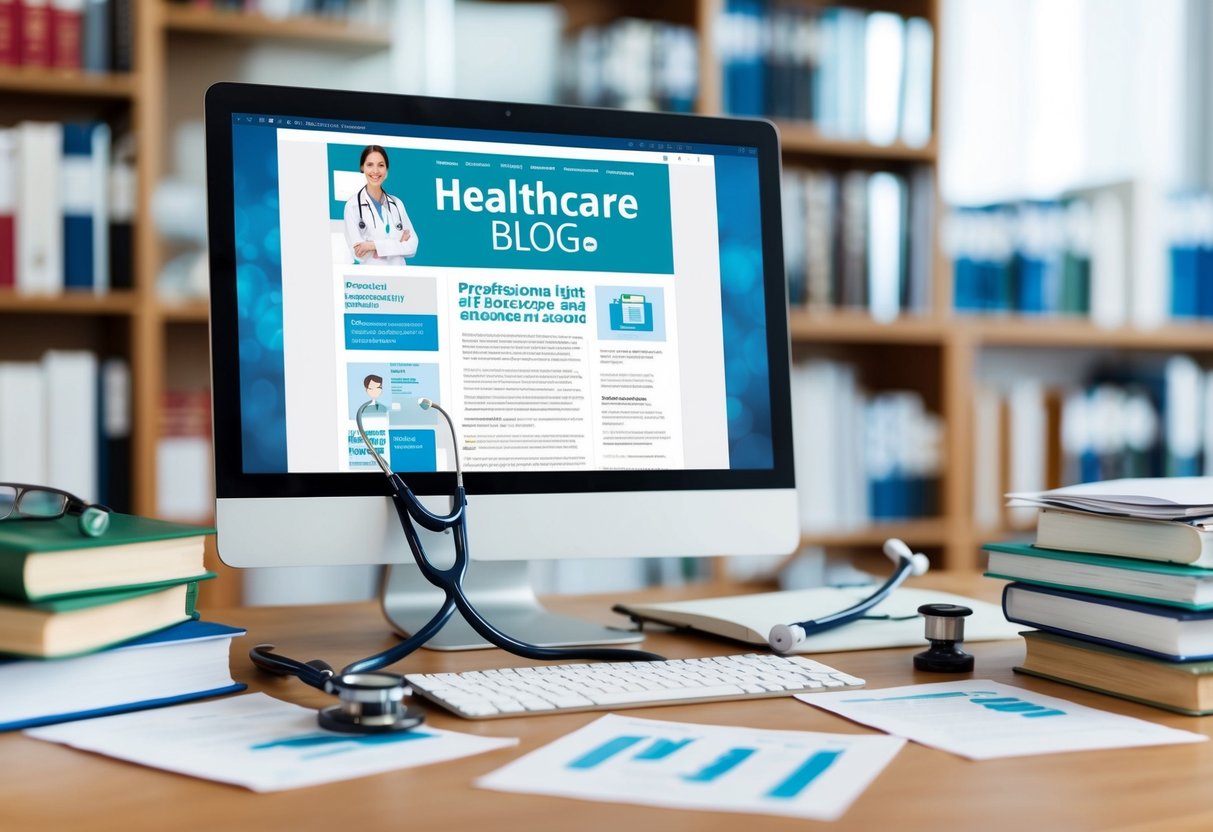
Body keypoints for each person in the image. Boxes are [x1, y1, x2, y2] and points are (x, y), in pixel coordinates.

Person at [343, 145, 418, 265]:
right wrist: (398, 245)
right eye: (370, 165)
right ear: (362, 167)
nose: (375, 171)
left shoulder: (397, 204)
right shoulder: (352, 206)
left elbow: (412, 246)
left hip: (401, 277)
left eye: (381, 165)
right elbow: (358, 253)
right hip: (373, 281)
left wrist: (373, 245)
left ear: (386, 169)